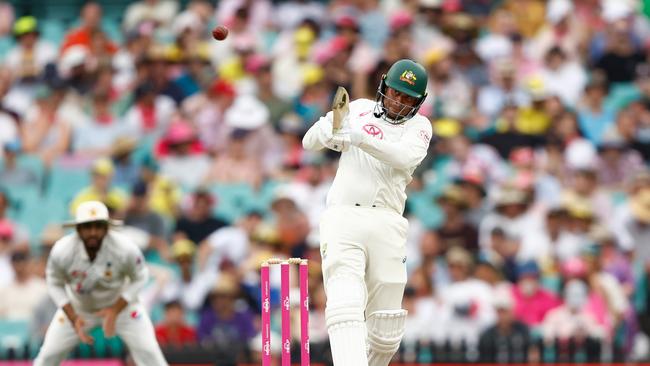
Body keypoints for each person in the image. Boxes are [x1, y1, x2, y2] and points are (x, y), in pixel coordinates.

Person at [302, 58, 432, 366]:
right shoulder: (358, 109)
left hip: (387, 221)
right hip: (344, 217)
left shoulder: (419, 127)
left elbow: (402, 158)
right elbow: (309, 142)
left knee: (386, 328)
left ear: (418, 102)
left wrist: (358, 137)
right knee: (346, 299)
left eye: (407, 98)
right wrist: (331, 130)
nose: (399, 101)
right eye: (395, 92)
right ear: (384, 86)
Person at [34, 201, 167, 365]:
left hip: (123, 309)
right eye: (87, 227)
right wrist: (72, 315)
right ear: (78, 229)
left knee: (149, 352)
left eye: (98, 227)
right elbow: (54, 282)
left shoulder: (125, 248)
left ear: (107, 228)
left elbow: (140, 277)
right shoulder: (62, 250)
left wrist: (115, 309)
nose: (93, 233)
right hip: (79, 309)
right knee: (48, 356)